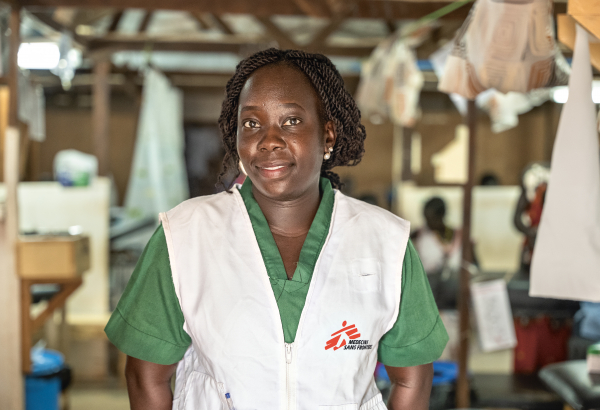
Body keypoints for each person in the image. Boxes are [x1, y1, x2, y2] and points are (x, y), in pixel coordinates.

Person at [105, 49, 448, 410]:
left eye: (291, 121)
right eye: (251, 123)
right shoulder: (183, 237)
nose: (269, 139)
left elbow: (412, 377)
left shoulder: (385, 243)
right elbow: (146, 378)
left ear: (328, 136)